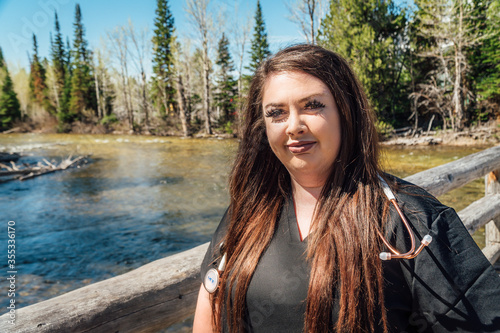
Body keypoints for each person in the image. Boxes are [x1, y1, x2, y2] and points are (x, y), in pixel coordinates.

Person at [193, 44, 500, 332]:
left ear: (346, 111)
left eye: (312, 105)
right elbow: (210, 302)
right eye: (276, 112)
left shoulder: (409, 220)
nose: (294, 125)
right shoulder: (247, 213)